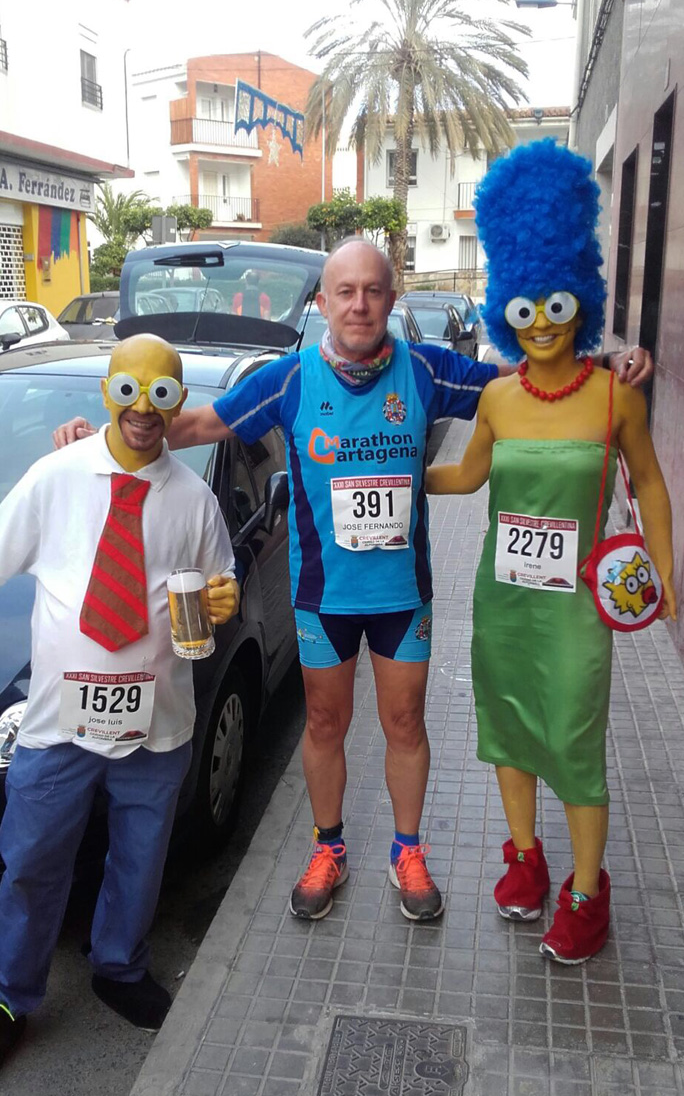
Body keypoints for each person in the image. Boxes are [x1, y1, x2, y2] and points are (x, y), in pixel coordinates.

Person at [54, 238, 653, 929]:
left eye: (373, 291)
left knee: (405, 724)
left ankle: (408, 852)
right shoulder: (290, 379)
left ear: (391, 301)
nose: (360, 304)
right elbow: (193, 424)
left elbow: (523, 379)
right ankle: (328, 848)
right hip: (322, 598)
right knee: (324, 724)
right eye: (346, 291)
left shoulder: (425, 370)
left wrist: (602, 364)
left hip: (402, 596)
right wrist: (99, 436)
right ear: (323, 303)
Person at [426, 140, 675, 964]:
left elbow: (651, 485)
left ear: (581, 304)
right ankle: (526, 861)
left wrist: (664, 575)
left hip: (575, 610)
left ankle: (588, 893)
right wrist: (395, 473)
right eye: (525, 308)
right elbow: (467, 476)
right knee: (508, 729)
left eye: (556, 306)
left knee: (572, 738)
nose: (539, 324)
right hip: (504, 600)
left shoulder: (614, 397)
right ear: (506, 308)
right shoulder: (497, 398)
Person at [0, 333, 239, 1066]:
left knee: (140, 857)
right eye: (129, 390)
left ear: (177, 402)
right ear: (110, 392)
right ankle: (11, 992)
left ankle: (119, 968)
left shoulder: (195, 499)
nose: (142, 408)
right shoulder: (55, 475)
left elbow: (220, 578)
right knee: (32, 861)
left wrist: (224, 598)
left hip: (157, 723)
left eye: (160, 393)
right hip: (57, 724)